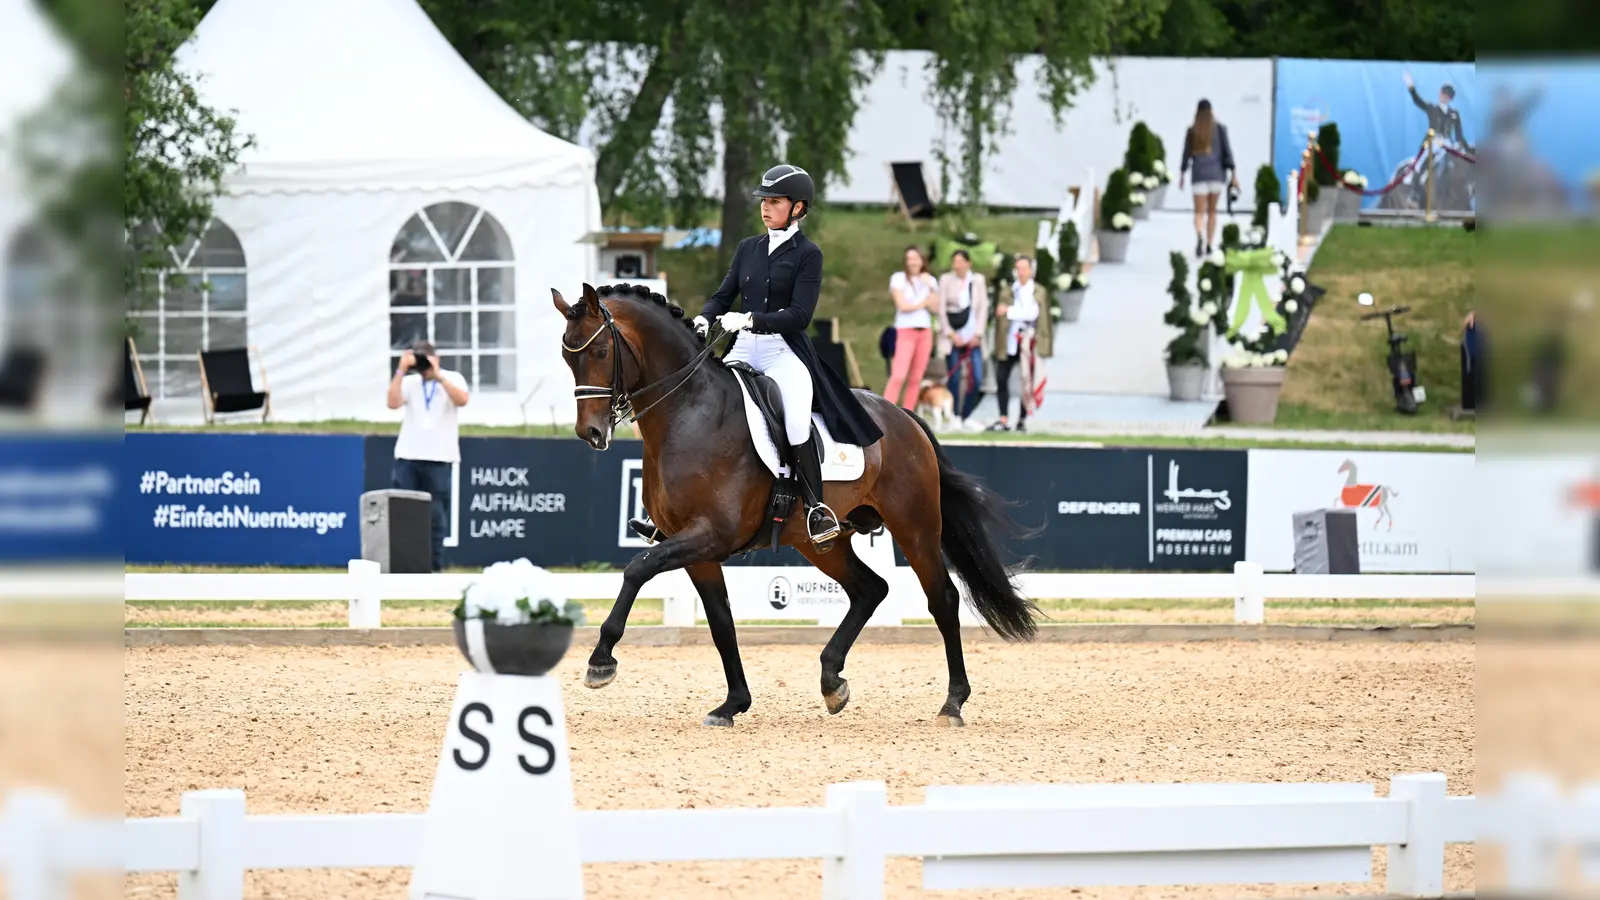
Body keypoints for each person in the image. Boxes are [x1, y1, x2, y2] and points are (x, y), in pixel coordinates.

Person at [693, 163, 884, 551]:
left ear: (798, 208)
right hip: (742, 348)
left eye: (775, 201)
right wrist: (703, 318)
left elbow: (800, 315)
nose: (765, 207)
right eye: (764, 201)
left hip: (782, 351)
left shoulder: (808, 254)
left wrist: (751, 318)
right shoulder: (748, 248)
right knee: (702, 406)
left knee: (797, 422)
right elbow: (723, 295)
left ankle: (816, 509)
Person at [386, 340, 469, 572]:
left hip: (439, 458)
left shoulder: (452, 378)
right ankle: (403, 566)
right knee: (403, 513)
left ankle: (433, 566)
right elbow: (392, 403)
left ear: (436, 358)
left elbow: (462, 400)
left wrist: (438, 376)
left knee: (435, 515)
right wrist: (401, 370)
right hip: (408, 456)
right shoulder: (410, 382)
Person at [987, 256, 1046, 433]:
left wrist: (1010, 311)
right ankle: (1003, 417)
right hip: (1010, 340)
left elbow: (1032, 314)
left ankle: (1022, 418)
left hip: (1028, 341)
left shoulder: (1038, 291)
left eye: (1024, 268)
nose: (1021, 272)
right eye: (1018, 269)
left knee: (1026, 379)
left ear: (1030, 270)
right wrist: (1013, 312)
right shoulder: (1009, 291)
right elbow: (1000, 311)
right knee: (1001, 378)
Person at [937, 249, 989, 428]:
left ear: (968, 263)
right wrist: (951, 334)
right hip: (953, 336)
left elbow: (983, 308)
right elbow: (941, 310)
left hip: (973, 336)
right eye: (955, 262)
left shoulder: (978, 281)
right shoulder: (945, 280)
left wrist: (978, 334)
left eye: (961, 261)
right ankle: (954, 415)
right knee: (955, 377)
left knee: (977, 378)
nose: (958, 265)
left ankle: (967, 414)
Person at [882, 246, 939, 410]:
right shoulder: (898, 279)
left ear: (922, 260)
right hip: (905, 329)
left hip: (925, 330)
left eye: (916, 258)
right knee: (898, 375)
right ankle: (885, 409)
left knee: (916, 377)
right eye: (909, 259)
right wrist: (924, 303)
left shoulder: (930, 280)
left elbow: (936, 307)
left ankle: (908, 412)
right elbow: (903, 305)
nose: (913, 262)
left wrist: (931, 287)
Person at [1178, 99, 1237, 258]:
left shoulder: (1192, 130)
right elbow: (1227, 153)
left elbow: (1186, 154)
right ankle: (1209, 244)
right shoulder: (1220, 129)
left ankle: (1199, 235)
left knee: (1199, 212)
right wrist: (1234, 174)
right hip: (1216, 176)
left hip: (1198, 175)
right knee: (1212, 211)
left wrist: (1182, 174)